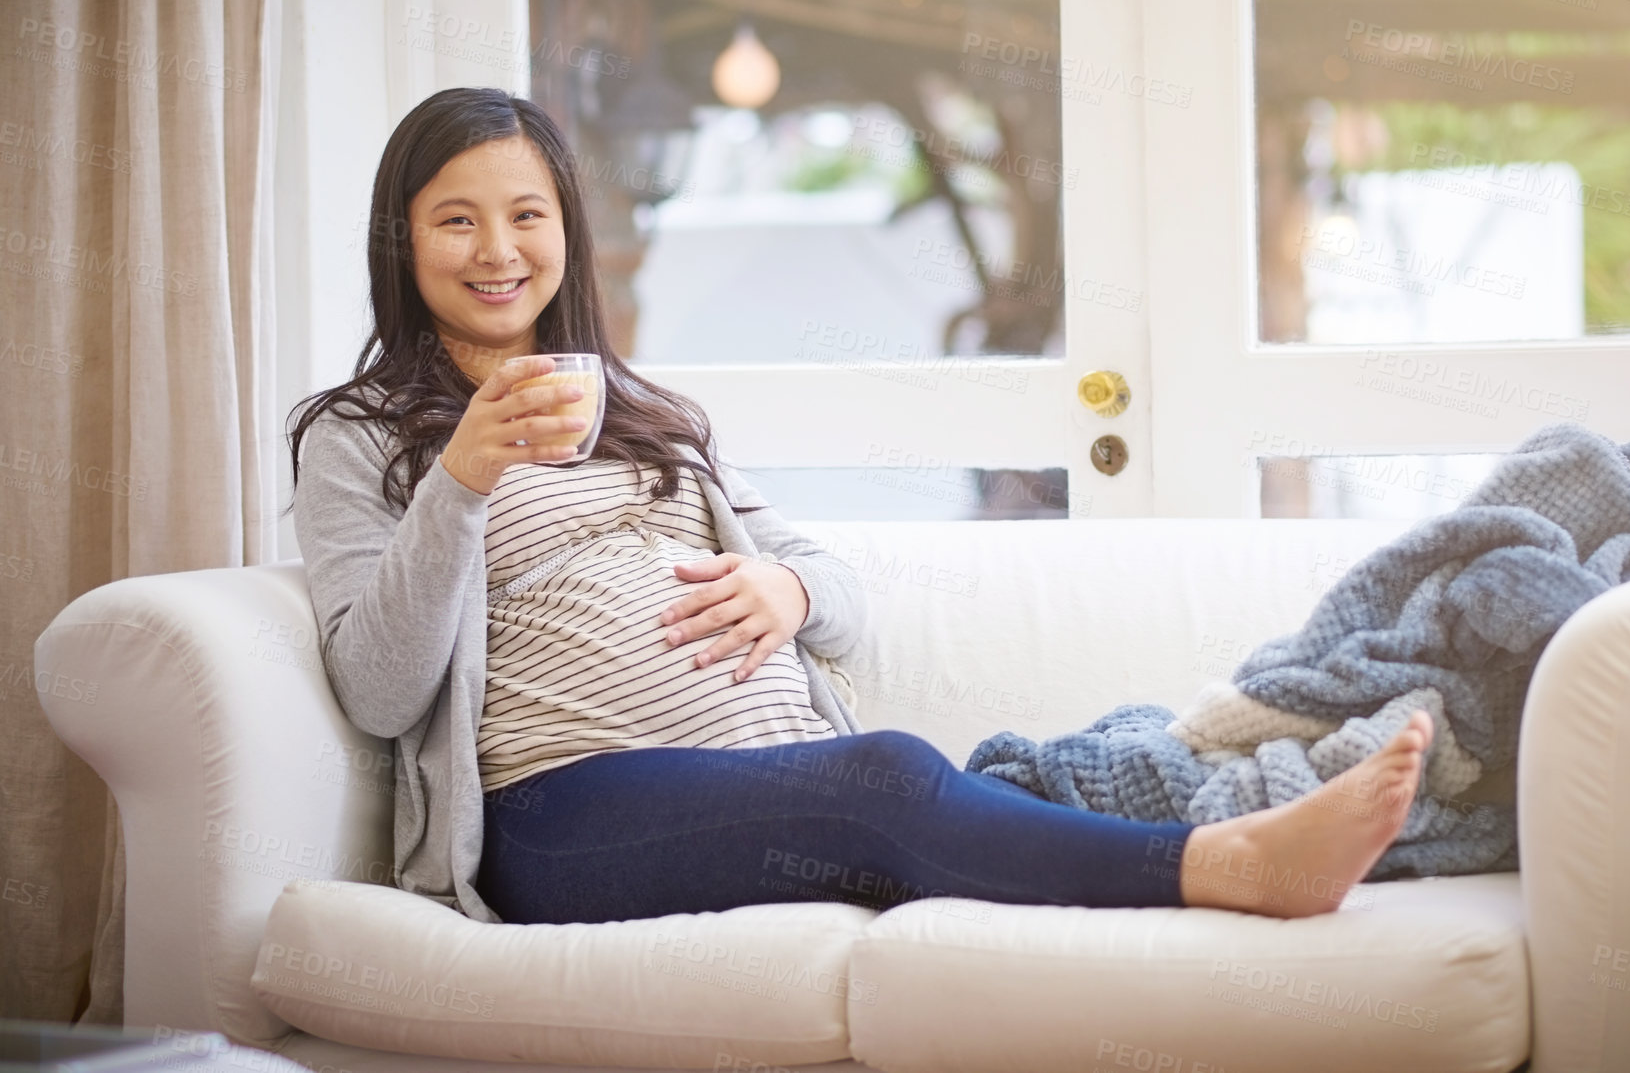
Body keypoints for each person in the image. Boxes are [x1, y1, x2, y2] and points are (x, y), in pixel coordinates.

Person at [286, 86, 1432, 929]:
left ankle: (1272, 822)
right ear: (406, 237)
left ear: (565, 232)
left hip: (766, 770)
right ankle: (1229, 865)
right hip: (563, 809)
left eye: (527, 215)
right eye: (457, 220)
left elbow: (839, 597)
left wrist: (784, 587)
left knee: (1003, 774)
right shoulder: (358, 434)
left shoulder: (645, 409)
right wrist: (462, 480)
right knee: (885, 779)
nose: (499, 250)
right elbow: (379, 689)